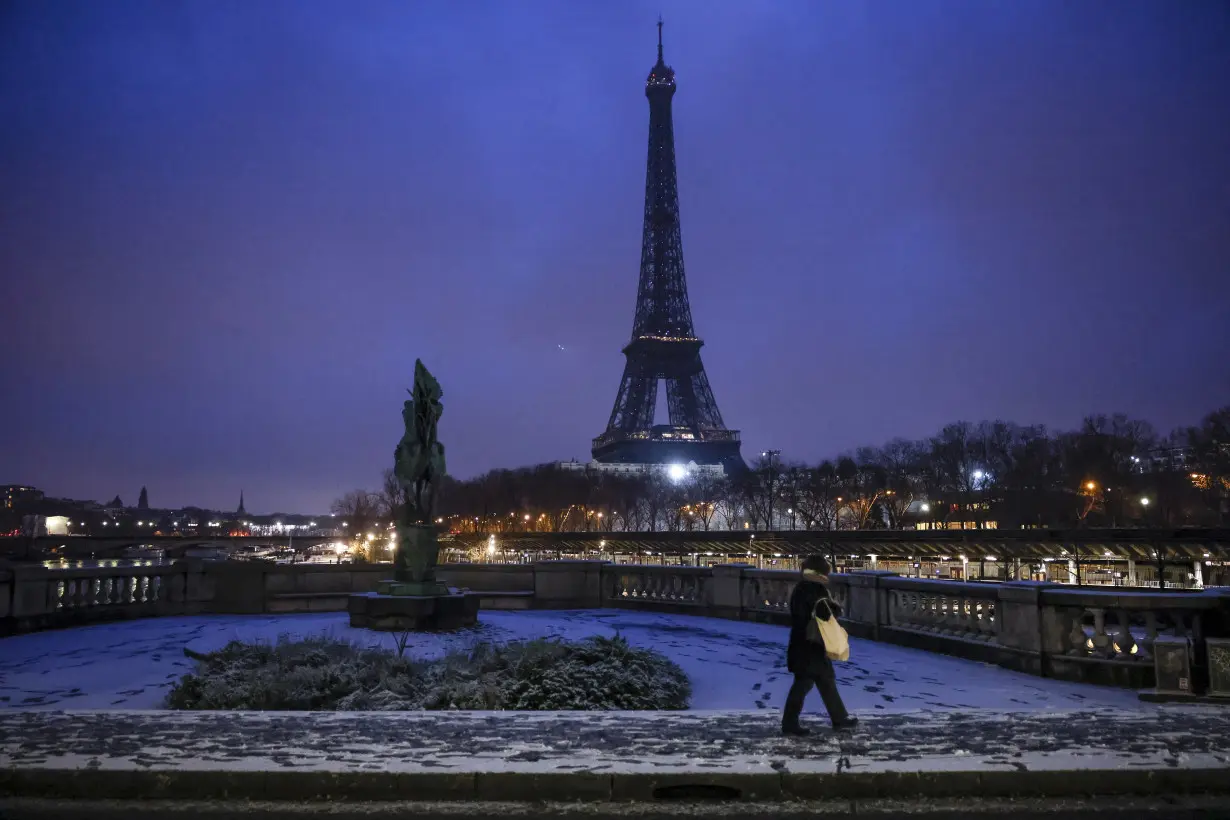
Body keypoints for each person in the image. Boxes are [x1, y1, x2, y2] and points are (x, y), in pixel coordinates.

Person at [782, 555, 858, 736]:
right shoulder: (816, 589)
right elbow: (826, 613)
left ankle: (839, 718)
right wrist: (835, 607)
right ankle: (790, 724)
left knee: (823, 681)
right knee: (806, 684)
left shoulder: (801, 587)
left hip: (803, 644)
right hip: (813, 645)